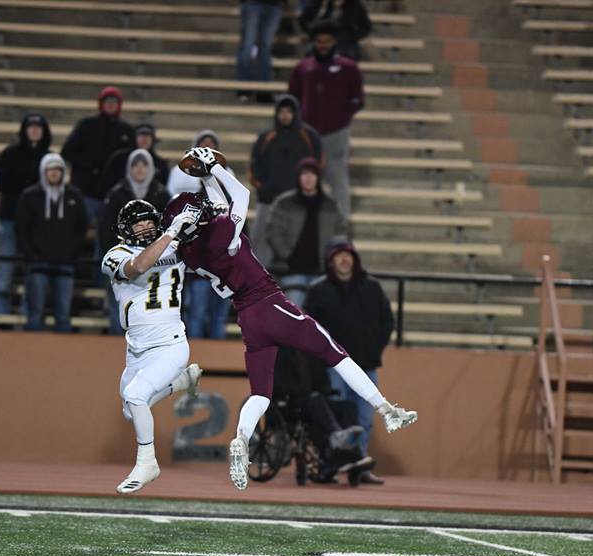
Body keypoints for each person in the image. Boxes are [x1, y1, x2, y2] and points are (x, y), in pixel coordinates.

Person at [165, 147, 416, 491]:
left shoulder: (190, 252)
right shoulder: (220, 231)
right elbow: (241, 195)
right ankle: (385, 409)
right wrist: (215, 169)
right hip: (270, 305)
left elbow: (215, 208)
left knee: (261, 393)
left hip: (248, 319)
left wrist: (207, 178)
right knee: (334, 353)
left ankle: (241, 437)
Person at [102, 199, 204, 494]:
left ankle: (147, 463)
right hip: (136, 348)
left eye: (149, 221)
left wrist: (200, 221)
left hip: (170, 343)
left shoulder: (176, 245)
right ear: (126, 228)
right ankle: (183, 381)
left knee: (136, 396)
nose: (145, 227)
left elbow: (212, 249)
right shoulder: (115, 255)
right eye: (139, 223)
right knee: (130, 410)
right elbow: (138, 266)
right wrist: (172, 233)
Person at [304, 238, 394, 484]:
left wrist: (374, 348)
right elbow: (308, 326)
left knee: (365, 419)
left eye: (348, 255)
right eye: (339, 255)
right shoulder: (318, 289)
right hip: (335, 367)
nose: (344, 259)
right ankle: (330, 465)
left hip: (365, 366)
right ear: (330, 261)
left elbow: (387, 321)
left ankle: (359, 467)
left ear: (355, 260)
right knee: (336, 418)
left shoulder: (372, 287)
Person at [288, 19, 364, 217]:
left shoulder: (348, 68)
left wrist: (342, 118)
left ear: (335, 42)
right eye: (319, 41)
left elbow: (358, 99)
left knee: (338, 180)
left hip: (336, 134)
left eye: (327, 41)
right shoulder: (303, 68)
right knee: (305, 179)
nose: (323, 45)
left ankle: (341, 225)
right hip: (307, 134)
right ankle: (303, 223)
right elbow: (293, 98)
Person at [272, 346, 375, 485]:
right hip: (292, 403)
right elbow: (277, 383)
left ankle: (349, 449)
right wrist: (304, 393)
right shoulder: (281, 352)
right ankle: (337, 436)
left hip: (315, 402)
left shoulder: (312, 353)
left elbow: (324, 383)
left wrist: (322, 390)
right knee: (316, 400)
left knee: (349, 407)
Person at [168, 129, 232, 340]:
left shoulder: (233, 203)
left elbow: (242, 237)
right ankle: (194, 354)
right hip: (200, 272)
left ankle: (216, 358)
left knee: (218, 318)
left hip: (224, 270)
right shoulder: (194, 203)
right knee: (197, 315)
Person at [101, 149, 172, 334]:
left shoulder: (161, 193)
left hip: (158, 259)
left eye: (144, 165)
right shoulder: (116, 193)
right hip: (125, 257)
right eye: (135, 165)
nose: (140, 169)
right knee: (119, 307)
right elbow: (106, 227)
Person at [15, 153, 87, 333]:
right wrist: (30, 255)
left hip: (65, 263)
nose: (54, 173)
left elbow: (82, 227)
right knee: (35, 314)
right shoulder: (30, 196)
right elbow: (21, 228)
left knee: (63, 315)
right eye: (50, 169)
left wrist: (72, 253)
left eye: (58, 169)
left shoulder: (74, 195)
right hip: (38, 263)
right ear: (43, 171)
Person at [248, 94, 323, 266]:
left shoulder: (309, 136)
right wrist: (264, 189)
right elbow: (254, 165)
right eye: (281, 112)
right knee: (261, 247)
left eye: (289, 111)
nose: (285, 115)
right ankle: (260, 279)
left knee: (296, 245)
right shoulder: (266, 136)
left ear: (296, 113)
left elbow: (318, 164)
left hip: (298, 202)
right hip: (268, 201)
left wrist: (305, 192)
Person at [0, 113, 51, 315]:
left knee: (32, 269)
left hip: (37, 223)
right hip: (10, 218)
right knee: (5, 267)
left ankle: (29, 314)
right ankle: (0, 314)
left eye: (38, 127)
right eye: (30, 126)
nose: (34, 130)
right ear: (24, 130)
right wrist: (27, 185)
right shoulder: (10, 154)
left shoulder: (48, 157)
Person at [266, 157, 347, 307]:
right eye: (304, 174)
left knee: (322, 318)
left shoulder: (331, 205)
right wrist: (288, 255)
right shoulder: (284, 203)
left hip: (323, 273)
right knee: (294, 316)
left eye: (312, 174)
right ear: (298, 177)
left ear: (318, 177)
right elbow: (273, 232)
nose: (308, 178)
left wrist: (330, 259)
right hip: (292, 270)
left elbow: (340, 233)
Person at [60, 86, 134, 225]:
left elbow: (132, 161)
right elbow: (67, 152)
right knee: (78, 228)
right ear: (101, 104)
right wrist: (89, 165)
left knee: (109, 232)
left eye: (114, 101)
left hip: (113, 194)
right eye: (107, 101)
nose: (110, 104)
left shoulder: (127, 130)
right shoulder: (86, 125)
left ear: (119, 105)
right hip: (85, 191)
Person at [99, 123, 170, 197]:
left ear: (153, 139)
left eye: (148, 136)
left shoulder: (160, 164)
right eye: (141, 135)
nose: (144, 139)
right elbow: (107, 184)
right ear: (134, 137)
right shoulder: (118, 159)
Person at [235, 0, 284, 103]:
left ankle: (263, 90)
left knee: (265, 47)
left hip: (274, 5)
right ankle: (244, 88)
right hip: (253, 3)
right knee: (248, 45)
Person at [298, 0, 372, 61]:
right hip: (320, 39)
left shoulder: (354, 5)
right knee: (311, 55)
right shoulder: (319, 3)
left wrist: (352, 36)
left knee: (348, 58)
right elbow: (303, 19)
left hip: (345, 42)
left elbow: (365, 27)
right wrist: (312, 33)